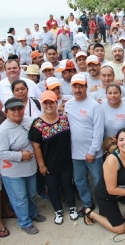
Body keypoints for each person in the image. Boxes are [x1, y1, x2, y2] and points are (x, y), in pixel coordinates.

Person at [28, 91, 79, 225]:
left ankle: (72, 207)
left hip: (66, 161)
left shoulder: (65, 118)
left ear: (57, 103)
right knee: (52, 187)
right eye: (46, 102)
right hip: (49, 164)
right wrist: (41, 165)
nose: (49, 105)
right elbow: (36, 146)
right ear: (42, 104)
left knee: (68, 185)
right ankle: (58, 210)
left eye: (52, 102)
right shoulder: (38, 124)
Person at [0, 98, 47, 235]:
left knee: (31, 194)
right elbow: (1, 152)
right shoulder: (3, 130)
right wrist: (20, 156)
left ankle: (32, 213)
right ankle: (25, 222)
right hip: (12, 171)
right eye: (13, 109)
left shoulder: (30, 121)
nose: (17, 112)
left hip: (30, 168)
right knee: (19, 198)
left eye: (19, 108)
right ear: (6, 112)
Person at [65, 73, 105, 217]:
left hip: (93, 153)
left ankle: (103, 205)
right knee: (80, 181)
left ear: (86, 87)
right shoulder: (68, 105)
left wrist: (92, 151)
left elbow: (99, 131)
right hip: (75, 153)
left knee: (98, 181)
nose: (78, 89)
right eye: (75, 86)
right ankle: (87, 204)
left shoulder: (94, 106)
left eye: (81, 86)